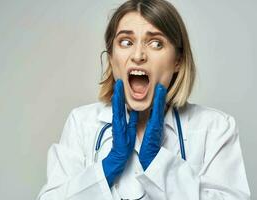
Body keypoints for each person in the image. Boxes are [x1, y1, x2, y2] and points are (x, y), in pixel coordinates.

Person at [37, 0, 251, 199]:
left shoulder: (215, 129)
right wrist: (109, 166)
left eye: (156, 43)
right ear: (111, 57)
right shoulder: (81, 123)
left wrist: (158, 165)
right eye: (126, 41)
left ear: (178, 59)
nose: (138, 55)